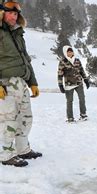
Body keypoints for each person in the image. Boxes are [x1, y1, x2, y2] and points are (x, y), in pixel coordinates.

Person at [0, 1, 42, 167]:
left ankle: (22, 149)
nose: (13, 16)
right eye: (10, 13)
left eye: (16, 14)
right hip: (5, 83)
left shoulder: (17, 33)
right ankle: (6, 154)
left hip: (21, 83)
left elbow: (26, 59)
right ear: (2, 13)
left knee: (25, 117)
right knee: (8, 120)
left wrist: (33, 82)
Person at [57, 45, 90, 122]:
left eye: (71, 51)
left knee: (82, 98)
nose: (70, 53)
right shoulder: (63, 61)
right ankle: (70, 118)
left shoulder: (77, 60)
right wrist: (60, 84)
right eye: (68, 52)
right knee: (69, 101)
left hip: (79, 83)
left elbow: (81, 71)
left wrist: (86, 80)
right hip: (69, 85)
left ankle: (83, 115)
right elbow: (60, 74)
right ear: (65, 53)